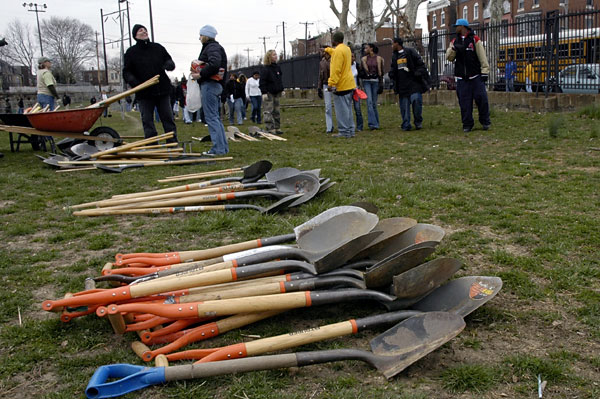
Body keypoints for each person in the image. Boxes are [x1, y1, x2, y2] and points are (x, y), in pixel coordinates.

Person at [123, 24, 178, 143]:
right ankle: (152, 145)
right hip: (144, 92)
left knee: (168, 118)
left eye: (145, 30)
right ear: (135, 35)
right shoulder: (131, 52)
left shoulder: (158, 48)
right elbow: (126, 72)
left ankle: (172, 143)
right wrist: (134, 82)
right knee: (147, 120)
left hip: (162, 90)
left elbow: (169, 59)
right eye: (140, 30)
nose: (144, 32)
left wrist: (169, 64)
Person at [446, 19, 491, 133]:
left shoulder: (474, 40)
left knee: (482, 99)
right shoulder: (454, 41)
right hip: (462, 78)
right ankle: (467, 124)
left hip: (475, 77)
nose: (455, 28)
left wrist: (484, 71)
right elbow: (449, 57)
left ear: (463, 27)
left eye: (457, 26)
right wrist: (453, 49)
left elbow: (482, 56)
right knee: (464, 103)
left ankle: (485, 121)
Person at [190, 24, 228, 155]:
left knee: (211, 117)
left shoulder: (211, 48)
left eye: (201, 35)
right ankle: (223, 148)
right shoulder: (215, 47)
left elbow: (215, 64)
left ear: (206, 36)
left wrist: (200, 74)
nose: (199, 38)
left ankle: (218, 149)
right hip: (215, 85)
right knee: (215, 117)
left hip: (210, 85)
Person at [389, 37, 427, 131]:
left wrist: (417, 73)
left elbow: (421, 64)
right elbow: (393, 69)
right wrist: (392, 74)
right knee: (404, 107)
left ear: (397, 44)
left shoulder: (410, 52)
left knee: (416, 101)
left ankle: (418, 122)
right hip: (402, 86)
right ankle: (406, 124)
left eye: (393, 44)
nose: (392, 46)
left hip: (414, 84)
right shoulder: (394, 56)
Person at [324, 31, 356, 138]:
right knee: (348, 109)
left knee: (341, 110)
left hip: (341, 85)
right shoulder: (346, 49)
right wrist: (327, 49)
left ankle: (343, 132)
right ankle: (351, 130)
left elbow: (335, 70)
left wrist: (331, 83)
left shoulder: (338, 51)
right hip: (349, 83)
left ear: (335, 40)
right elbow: (337, 52)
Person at [260, 49, 284, 135]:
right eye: (274, 55)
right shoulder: (265, 69)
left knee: (276, 111)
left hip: (276, 92)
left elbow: (279, 79)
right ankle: (270, 127)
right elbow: (262, 81)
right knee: (268, 111)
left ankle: (277, 127)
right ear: (269, 57)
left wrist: (281, 89)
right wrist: (264, 92)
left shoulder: (277, 68)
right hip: (269, 92)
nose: (276, 56)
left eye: (276, 54)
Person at [360, 43, 384, 130]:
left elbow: (381, 72)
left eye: (366, 48)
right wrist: (366, 75)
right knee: (369, 102)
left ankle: (376, 122)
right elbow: (361, 71)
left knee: (374, 103)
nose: (364, 49)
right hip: (367, 81)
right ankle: (372, 124)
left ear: (371, 48)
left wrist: (381, 84)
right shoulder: (364, 59)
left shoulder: (379, 59)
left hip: (375, 81)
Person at [318, 49, 334, 133]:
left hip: (334, 83)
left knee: (337, 104)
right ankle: (329, 126)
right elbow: (320, 75)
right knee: (328, 106)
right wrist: (319, 87)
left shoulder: (333, 60)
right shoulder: (322, 62)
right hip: (325, 84)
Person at [350, 52, 364, 131]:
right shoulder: (346, 66)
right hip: (348, 89)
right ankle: (350, 125)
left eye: (353, 57)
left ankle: (360, 126)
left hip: (356, 89)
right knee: (348, 108)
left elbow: (361, 74)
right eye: (350, 56)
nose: (352, 58)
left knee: (357, 108)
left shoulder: (357, 65)